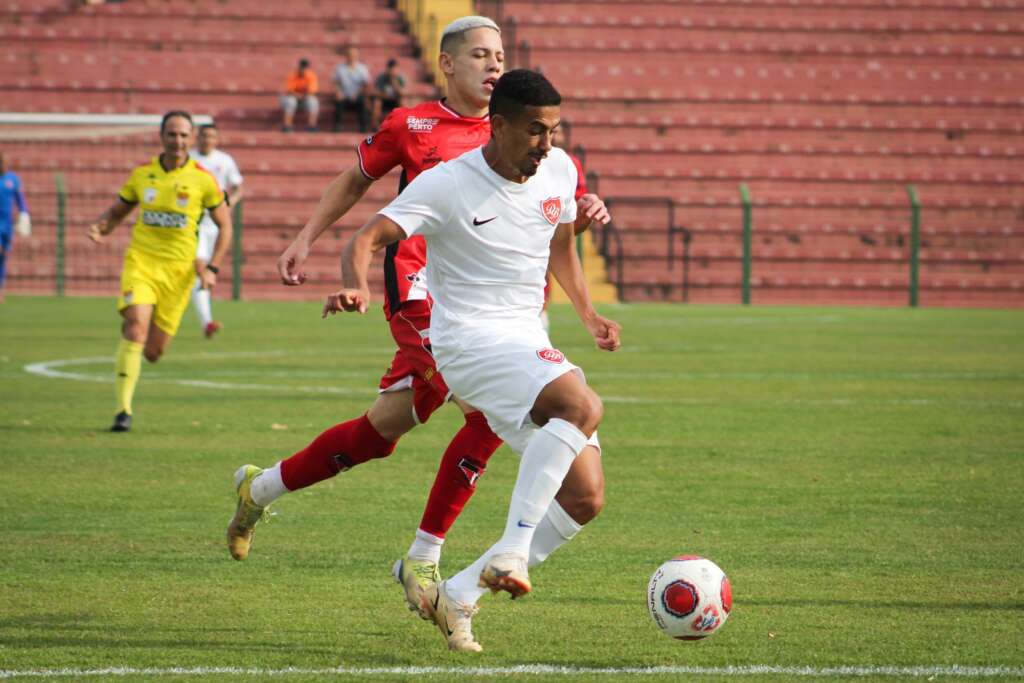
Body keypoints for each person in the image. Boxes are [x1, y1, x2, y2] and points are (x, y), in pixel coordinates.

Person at [226, 17, 609, 635]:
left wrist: (584, 242)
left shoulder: (541, 148)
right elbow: (357, 184)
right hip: (426, 301)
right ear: (447, 65)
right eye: (480, 54)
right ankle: (427, 560)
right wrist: (309, 241)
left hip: (516, 319)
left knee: (382, 432)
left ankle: (260, 489)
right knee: (504, 412)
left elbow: (546, 225)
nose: (492, 64)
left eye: (500, 54)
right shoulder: (416, 129)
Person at [323, 69, 621, 651]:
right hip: (468, 341)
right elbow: (363, 239)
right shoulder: (446, 183)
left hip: (526, 336)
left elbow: (559, 243)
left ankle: (458, 593)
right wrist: (355, 284)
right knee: (581, 404)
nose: (548, 144)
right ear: (499, 124)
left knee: (585, 497)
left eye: (555, 130)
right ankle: (511, 550)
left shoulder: (558, 170)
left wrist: (587, 315)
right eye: (536, 131)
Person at [87, 111, 232, 432]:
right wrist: (102, 227)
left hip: (179, 274)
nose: (177, 141)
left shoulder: (204, 179)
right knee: (135, 326)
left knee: (153, 352)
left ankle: (137, 360)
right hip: (141, 263)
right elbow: (117, 211)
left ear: (191, 139)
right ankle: (123, 410)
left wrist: (212, 268)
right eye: (172, 134)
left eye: (183, 135)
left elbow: (226, 226)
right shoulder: (142, 175)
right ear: (161, 137)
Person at [189, 123, 244, 338]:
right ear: (198, 137)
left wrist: (230, 202)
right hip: (195, 223)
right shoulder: (190, 160)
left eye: (212, 136)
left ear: (216, 139)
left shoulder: (224, 160)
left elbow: (239, 186)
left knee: (203, 272)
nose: (207, 140)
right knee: (201, 269)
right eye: (204, 136)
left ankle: (205, 319)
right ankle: (207, 322)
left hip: (217, 225)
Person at [0, 152, 30, 304]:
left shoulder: (13, 179)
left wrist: (24, 214)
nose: (5, 165)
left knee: (3, 258)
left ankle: (1, 290)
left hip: (7, 225)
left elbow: (20, 200)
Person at [331, 46, 371, 133]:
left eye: (354, 55)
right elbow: (335, 82)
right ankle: (338, 126)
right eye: (349, 55)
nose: (351, 57)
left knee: (363, 102)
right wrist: (338, 92)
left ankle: (363, 127)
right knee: (338, 100)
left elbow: (366, 84)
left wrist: (359, 94)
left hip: (358, 95)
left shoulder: (362, 68)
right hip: (344, 95)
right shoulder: (340, 68)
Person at [281, 58, 320, 133]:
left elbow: (312, 91)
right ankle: (287, 125)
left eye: (304, 68)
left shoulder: (311, 76)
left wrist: (302, 96)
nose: (302, 70)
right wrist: (298, 95)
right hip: (293, 97)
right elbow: (289, 90)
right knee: (290, 101)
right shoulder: (292, 75)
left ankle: (312, 126)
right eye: (301, 67)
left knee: (313, 101)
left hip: (305, 98)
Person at [372, 58, 406, 128]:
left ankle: (403, 125)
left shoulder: (399, 78)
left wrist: (394, 82)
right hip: (384, 100)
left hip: (395, 100)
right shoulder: (382, 78)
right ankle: (376, 126)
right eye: (391, 69)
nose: (392, 71)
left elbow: (402, 93)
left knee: (402, 102)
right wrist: (384, 95)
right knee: (377, 102)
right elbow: (377, 92)